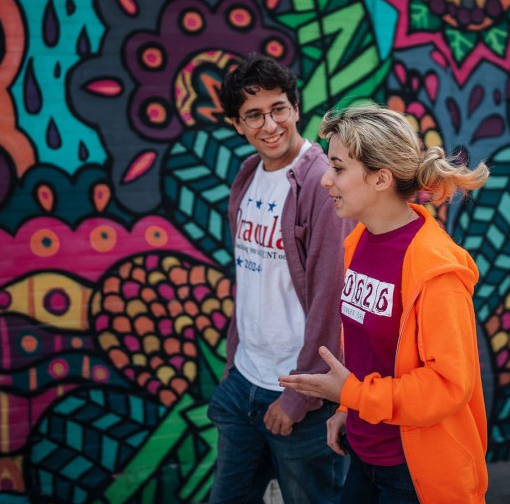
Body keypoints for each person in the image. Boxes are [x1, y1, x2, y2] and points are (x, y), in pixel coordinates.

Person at [279, 104, 491, 504]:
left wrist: (354, 394)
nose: (326, 180)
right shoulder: (358, 241)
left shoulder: (436, 268)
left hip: (415, 474)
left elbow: (448, 385)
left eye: (338, 168)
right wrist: (348, 408)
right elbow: (371, 355)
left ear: (381, 178)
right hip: (364, 455)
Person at [210, 54, 352, 503]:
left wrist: (298, 398)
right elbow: (250, 279)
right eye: (254, 115)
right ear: (237, 124)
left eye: (279, 109)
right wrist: (235, 365)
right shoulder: (248, 175)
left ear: (295, 108)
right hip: (244, 383)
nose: (269, 125)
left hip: (301, 394)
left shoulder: (319, 182)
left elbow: (332, 295)